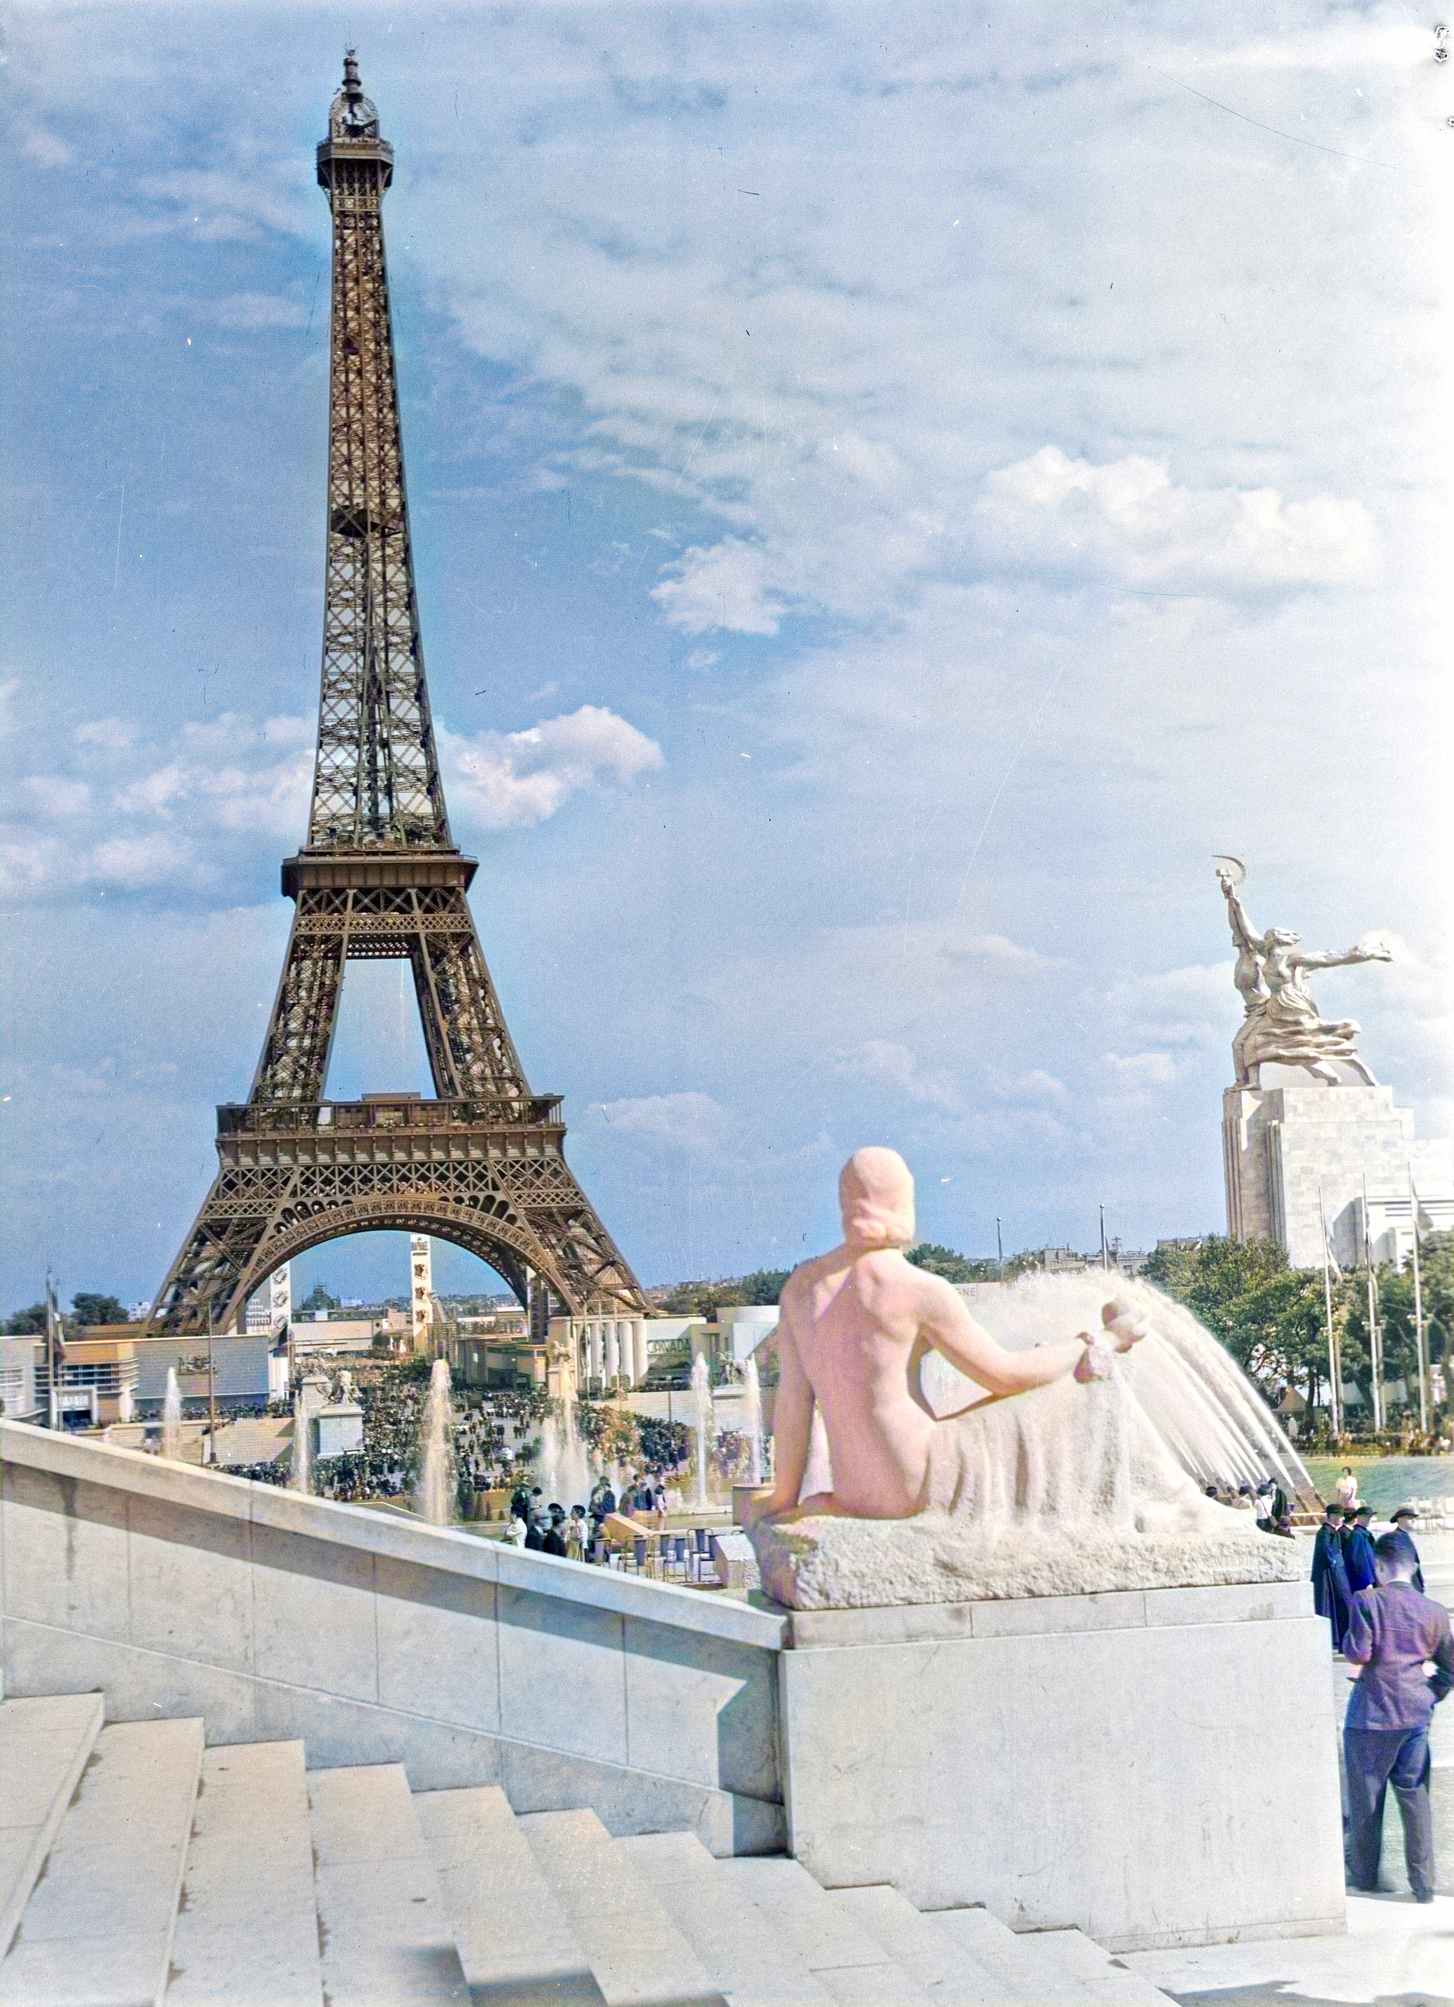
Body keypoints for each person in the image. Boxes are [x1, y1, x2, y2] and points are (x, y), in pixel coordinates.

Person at [1342, 1531, 1454, 1901]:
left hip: (1370, 1718)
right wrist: (1429, 1695)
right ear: (1414, 1567)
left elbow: (1358, 1652)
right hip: (1414, 1718)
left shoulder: (1366, 1601)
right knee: (1415, 1798)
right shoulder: (1435, 1612)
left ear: (1379, 1565)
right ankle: (1423, 1885)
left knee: (1366, 1803)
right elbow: (1450, 1669)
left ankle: (1365, 1876)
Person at [1311, 1503, 1352, 1653]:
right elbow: (1327, 1553)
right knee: (1331, 1605)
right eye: (1339, 1515)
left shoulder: (1331, 1531)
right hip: (1328, 1576)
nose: (1341, 1518)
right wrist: (1336, 1564)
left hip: (1334, 1572)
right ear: (1331, 1516)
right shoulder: (1324, 1532)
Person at [1387, 1508, 1426, 1594]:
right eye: (1410, 1518)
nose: (1413, 1521)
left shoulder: (1403, 1536)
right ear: (1400, 1519)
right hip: (1407, 1586)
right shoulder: (1396, 1538)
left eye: (1413, 1518)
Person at [1342, 1505, 1377, 1596]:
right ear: (1359, 1517)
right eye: (1366, 1516)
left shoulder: (1364, 1533)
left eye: (1370, 1517)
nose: (1369, 1519)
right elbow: (1357, 1560)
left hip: (1371, 1578)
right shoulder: (1357, 1535)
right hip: (1364, 1582)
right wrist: (1366, 1581)